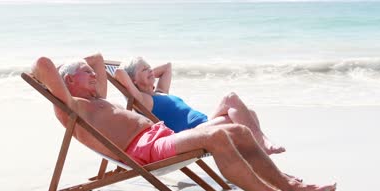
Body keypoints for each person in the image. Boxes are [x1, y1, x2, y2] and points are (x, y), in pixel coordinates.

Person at [32, 54, 337, 191]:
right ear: (68, 80)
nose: (96, 76)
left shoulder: (95, 99)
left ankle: (291, 188)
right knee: (218, 138)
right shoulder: (71, 107)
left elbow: (97, 57)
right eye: (87, 74)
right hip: (145, 148)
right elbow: (42, 64)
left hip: (159, 135)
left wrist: (84, 67)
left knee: (240, 131)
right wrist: (55, 73)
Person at [114, 57, 285, 155]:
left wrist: (145, 71)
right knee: (233, 101)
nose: (151, 71)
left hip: (205, 123)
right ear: (133, 80)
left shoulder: (160, 92)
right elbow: (119, 73)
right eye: (145, 70)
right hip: (194, 133)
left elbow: (167, 66)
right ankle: (262, 146)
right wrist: (133, 72)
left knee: (248, 113)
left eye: (150, 68)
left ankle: (261, 158)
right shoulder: (143, 101)